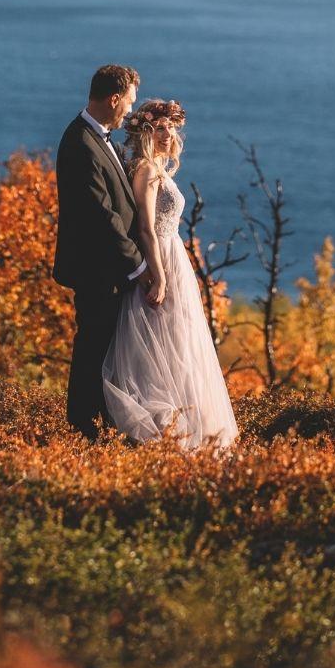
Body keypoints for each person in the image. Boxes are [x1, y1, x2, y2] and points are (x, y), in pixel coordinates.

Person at [102, 98, 239, 451]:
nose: (168, 134)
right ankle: (167, 434)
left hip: (172, 257)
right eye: (159, 128)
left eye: (171, 127)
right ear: (145, 134)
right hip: (160, 259)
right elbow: (146, 229)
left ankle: (186, 429)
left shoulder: (158, 169)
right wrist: (157, 276)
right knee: (161, 344)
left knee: (179, 344)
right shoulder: (146, 170)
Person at [53, 64, 158, 442]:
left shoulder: (98, 137)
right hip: (98, 271)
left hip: (108, 269)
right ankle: (84, 429)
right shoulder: (81, 143)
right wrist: (140, 265)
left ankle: (99, 426)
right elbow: (103, 216)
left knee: (105, 351)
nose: (129, 111)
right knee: (94, 351)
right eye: (128, 103)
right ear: (114, 98)